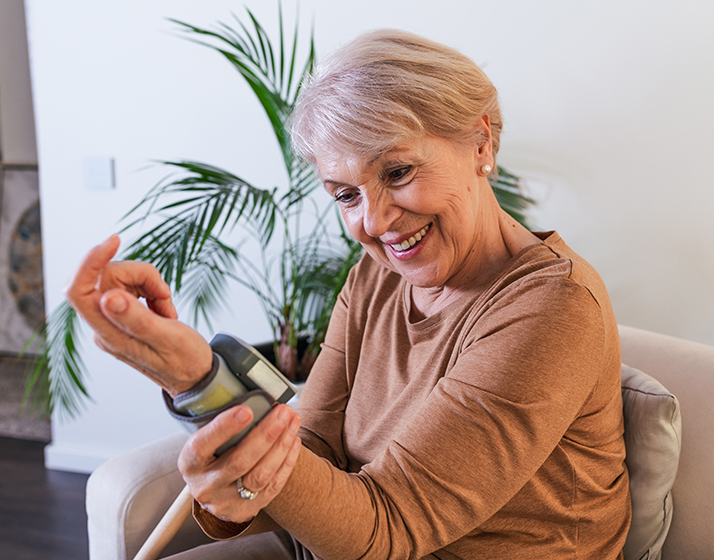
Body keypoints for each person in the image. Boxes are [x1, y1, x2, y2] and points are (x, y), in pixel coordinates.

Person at [67, 29, 631, 560]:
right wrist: (232, 473)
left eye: (398, 171)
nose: (377, 220)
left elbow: (391, 526)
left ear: (481, 140)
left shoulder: (552, 306)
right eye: (345, 195)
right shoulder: (377, 274)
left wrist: (200, 381)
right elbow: (310, 447)